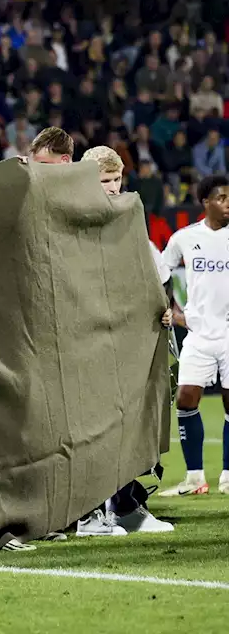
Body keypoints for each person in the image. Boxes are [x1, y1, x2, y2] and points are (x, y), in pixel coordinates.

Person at [72, 147, 175, 535]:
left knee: (131, 424)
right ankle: (88, 513)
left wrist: (163, 307)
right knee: (93, 428)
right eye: (104, 182)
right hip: (87, 341)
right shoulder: (75, 226)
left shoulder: (132, 222)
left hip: (128, 342)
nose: (113, 188)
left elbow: (158, 275)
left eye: (116, 180)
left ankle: (126, 506)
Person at [159, 173, 229, 499]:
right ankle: (194, 478)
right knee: (185, 399)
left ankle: (228, 477)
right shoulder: (184, 238)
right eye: (221, 198)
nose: (227, 204)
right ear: (205, 202)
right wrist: (172, 310)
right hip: (198, 334)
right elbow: (161, 273)